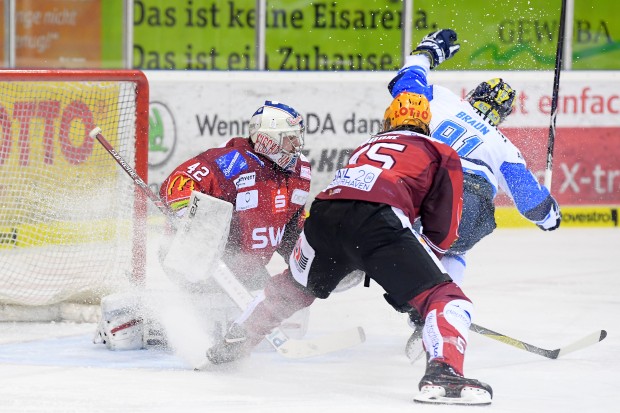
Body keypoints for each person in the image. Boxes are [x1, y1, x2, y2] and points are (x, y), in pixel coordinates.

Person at [206, 92, 494, 405]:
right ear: (427, 124)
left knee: (293, 289)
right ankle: (444, 375)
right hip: (379, 222)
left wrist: (385, 264)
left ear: (387, 121)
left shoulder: (366, 147)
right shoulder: (440, 151)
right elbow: (442, 235)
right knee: (447, 299)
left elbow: (354, 204)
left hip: (325, 218)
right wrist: (413, 287)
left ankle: (233, 343)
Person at [387, 29, 562, 359]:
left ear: (474, 95)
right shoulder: (503, 146)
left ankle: (368, 262)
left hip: (419, 184)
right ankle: (438, 305)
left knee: (388, 225)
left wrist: (425, 53)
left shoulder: (443, 98)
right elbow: (535, 208)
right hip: (467, 203)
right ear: (504, 115)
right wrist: (551, 213)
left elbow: (404, 85)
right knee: (454, 248)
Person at [94, 100, 312, 350]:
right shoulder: (231, 161)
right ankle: (139, 320)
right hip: (193, 257)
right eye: (289, 139)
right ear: (268, 140)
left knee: (286, 308)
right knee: (209, 317)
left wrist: (312, 256)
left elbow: (292, 227)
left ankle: (213, 324)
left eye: (297, 139)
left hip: (245, 268)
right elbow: (178, 182)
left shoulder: (300, 171)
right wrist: (191, 220)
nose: (296, 147)